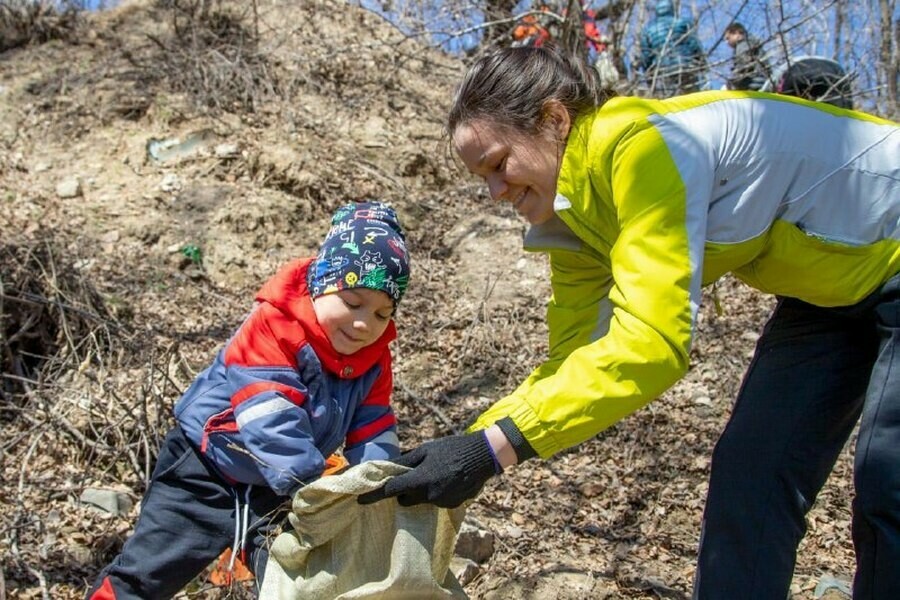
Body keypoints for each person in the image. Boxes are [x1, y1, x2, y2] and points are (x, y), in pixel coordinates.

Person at [359, 45, 900, 600]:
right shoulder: (572, 219)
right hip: (826, 294)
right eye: (483, 178)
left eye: (499, 164)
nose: (496, 192)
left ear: (553, 119)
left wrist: (489, 452)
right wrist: (472, 445)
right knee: (751, 476)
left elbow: (652, 344)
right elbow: (574, 361)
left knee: (889, 478)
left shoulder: (641, 146)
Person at [87, 201, 411, 599]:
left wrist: (377, 486)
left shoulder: (373, 358)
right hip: (206, 469)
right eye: (353, 302)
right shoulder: (273, 326)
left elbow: (374, 423)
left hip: (276, 490)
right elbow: (269, 413)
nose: (364, 323)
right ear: (320, 285)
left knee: (298, 580)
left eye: (382, 314)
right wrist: (312, 488)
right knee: (152, 571)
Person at [639, 0, 707, 97]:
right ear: (672, 8)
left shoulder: (648, 30)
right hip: (686, 65)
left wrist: (648, 77)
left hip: (663, 71)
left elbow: (646, 56)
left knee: (671, 102)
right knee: (693, 99)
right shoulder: (682, 22)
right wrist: (702, 63)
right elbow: (694, 44)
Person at [724, 22, 769, 91]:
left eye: (728, 38)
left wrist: (732, 82)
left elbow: (744, 65)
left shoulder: (743, 44)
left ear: (736, 33)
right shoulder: (752, 44)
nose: (727, 42)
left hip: (754, 83)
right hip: (762, 81)